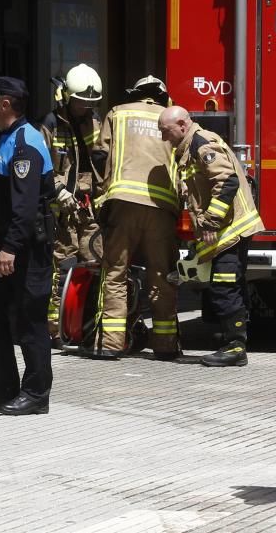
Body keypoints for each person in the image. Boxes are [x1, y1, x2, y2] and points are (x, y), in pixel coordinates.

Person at [0, 75, 55, 415]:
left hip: (28, 248)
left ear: (5, 103)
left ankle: (36, 394)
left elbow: (25, 205)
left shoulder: (25, 144)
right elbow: (4, 204)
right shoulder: (6, 139)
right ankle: (3, 386)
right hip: (10, 243)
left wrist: (10, 247)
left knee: (30, 320)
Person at [159, 105, 264, 366]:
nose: (164, 138)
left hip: (231, 228)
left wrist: (209, 222)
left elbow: (227, 181)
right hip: (227, 230)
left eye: (166, 131)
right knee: (229, 287)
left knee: (224, 287)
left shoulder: (202, 144)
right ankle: (233, 343)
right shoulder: (190, 147)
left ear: (182, 125)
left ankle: (235, 348)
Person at [88, 76, 180, 360]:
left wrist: (102, 193)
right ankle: (165, 345)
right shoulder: (172, 118)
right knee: (161, 276)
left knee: (115, 273)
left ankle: (110, 345)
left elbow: (100, 155)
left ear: (136, 94)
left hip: (123, 202)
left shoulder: (118, 112)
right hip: (162, 208)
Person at [39, 64, 104, 347]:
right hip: (63, 212)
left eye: (90, 104)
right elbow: (41, 167)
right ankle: (54, 329)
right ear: (66, 96)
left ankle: (90, 325)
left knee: (96, 265)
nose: (84, 108)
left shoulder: (95, 122)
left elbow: (101, 161)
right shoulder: (50, 124)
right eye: (80, 102)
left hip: (89, 209)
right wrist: (58, 191)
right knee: (61, 268)